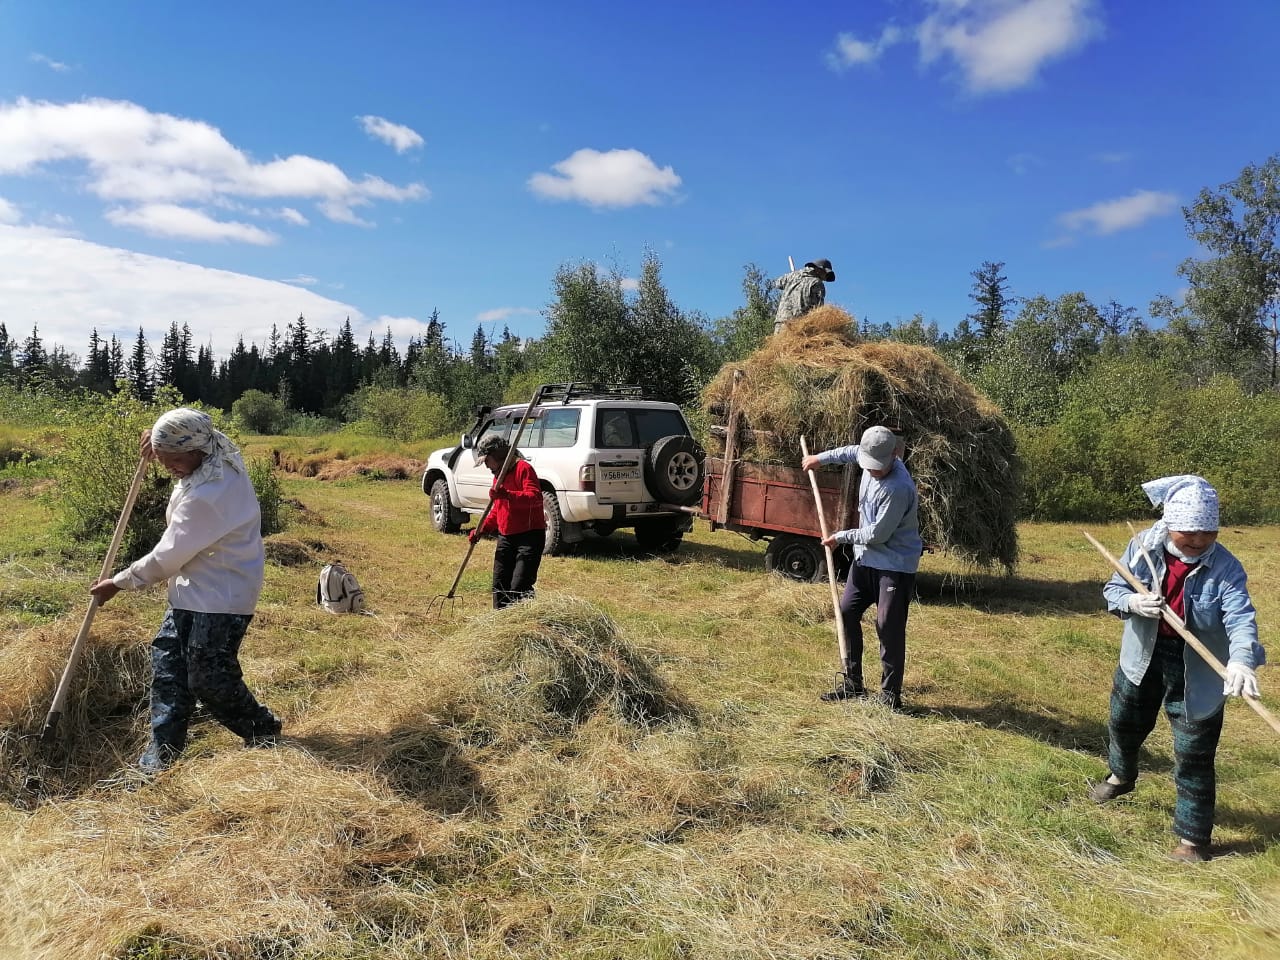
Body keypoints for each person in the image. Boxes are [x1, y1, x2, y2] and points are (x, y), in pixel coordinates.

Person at [90, 408, 280, 775]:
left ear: (196, 450)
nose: (168, 467)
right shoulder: (212, 449)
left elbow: (168, 557)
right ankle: (162, 756)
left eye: (174, 459)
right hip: (191, 589)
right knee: (169, 667)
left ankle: (262, 729)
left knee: (209, 677)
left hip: (223, 594)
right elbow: (187, 430)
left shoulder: (211, 493)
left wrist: (120, 582)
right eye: (163, 459)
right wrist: (158, 437)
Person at [1091, 475, 1266, 863]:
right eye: (1190, 532)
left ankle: (1192, 840)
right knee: (1124, 722)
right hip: (1142, 657)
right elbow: (1113, 589)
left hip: (1197, 669)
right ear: (1170, 525)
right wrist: (1134, 603)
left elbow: (1240, 619)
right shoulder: (1143, 550)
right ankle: (1121, 776)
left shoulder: (1226, 568)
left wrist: (1241, 660)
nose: (1199, 541)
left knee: (1194, 752)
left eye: (1208, 532)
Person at [800, 424, 921, 709]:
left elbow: (878, 535)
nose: (873, 470)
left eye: (878, 466)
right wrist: (819, 458)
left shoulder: (899, 488)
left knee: (887, 625)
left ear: (894, 454)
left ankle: (890, 697)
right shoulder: (867, 454)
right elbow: (850, 452)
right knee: (846, 612)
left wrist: (840, 537)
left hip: (894, 564)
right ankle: (853, 683)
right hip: (865, 559)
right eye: (870, 465)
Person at [470, 433, 547, 609]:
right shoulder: (498, 475)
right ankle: (500, 625)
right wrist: (481, 529)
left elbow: (534, 497)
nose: (486, 466)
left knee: (519, 587)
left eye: (487, 460)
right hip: (506, 537)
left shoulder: (523, 469)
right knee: (500, 585)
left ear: (497, 455)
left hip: (529, 537)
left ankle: (522, 624)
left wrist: (508, 495)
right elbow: (498, 510)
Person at [773, 258, 835, 334]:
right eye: (825, 274)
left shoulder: (792, 276)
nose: (824, 278)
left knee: (779, 345)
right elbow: (819, 310)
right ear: (819, 270)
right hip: (799, 326)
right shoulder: (817, 283)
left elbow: (777, 283)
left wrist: (793, 276)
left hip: (781, 323)